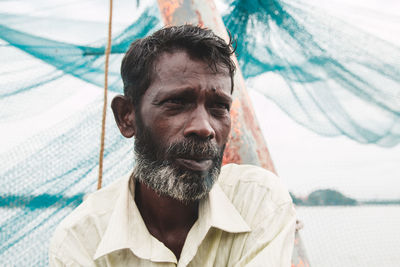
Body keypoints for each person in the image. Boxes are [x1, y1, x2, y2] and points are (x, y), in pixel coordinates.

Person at [49, 25, 296, 267]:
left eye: (219, 106)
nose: (204, 128)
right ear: (127, 116)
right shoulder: (81, 240)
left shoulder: (258, 200)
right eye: (177, 102)